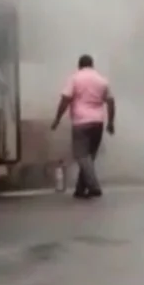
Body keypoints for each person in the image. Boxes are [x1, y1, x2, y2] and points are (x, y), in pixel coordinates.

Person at [50, 54, 115, 199]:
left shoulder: (75, 78)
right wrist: (110, 123)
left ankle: (94, 186)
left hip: (81, 122)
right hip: (98, 122)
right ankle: (80, 189)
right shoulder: (102, 80)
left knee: (81, 155)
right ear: (92, 65)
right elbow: (110, 102)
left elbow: (65, 100)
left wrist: (57, 119)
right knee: (89, 158)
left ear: (79, 65)